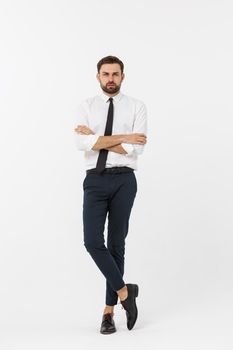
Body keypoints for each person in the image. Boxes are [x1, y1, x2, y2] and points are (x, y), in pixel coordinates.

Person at [73, 55, 147, 334]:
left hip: (124, 181)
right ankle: (125, 293)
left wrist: (98, 139)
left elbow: (135, 150)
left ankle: (108, 312)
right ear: (98, 77)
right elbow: (81, 143)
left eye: (115, 74)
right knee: (92, 241)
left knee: (116, 245)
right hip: (95, 180)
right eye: (106, 74)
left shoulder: (137, 106)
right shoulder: (86, 107)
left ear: (123, 77)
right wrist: (124, 137)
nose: (111, 79)